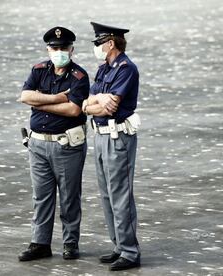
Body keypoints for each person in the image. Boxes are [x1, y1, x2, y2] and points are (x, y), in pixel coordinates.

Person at [18, 26, 89, 262]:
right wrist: (57, 98)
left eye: (63, 48)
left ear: (71, 49)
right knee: (42, 196)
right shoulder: (39, 70)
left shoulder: (79, 76)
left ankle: (70, 243)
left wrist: (40, 102)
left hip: (66, 145)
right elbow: (25, 96)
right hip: (38, 145)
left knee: (69, 197)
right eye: (54, 48)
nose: (59, 51)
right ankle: (40, 243)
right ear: (48, 49)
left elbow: (73, 109)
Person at [82, 21, 141, 271]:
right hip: (101, 135)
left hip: (118, 138)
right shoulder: (103, 69)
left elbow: (111, 106)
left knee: (120, 195)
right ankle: (118, 245)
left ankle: (130, 251)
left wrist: (92, 104)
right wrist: (91, 103)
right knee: (107, 194)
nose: (96, 47)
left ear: (110, 43)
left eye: (98, 43)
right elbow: (86, 104)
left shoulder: (126, 69)